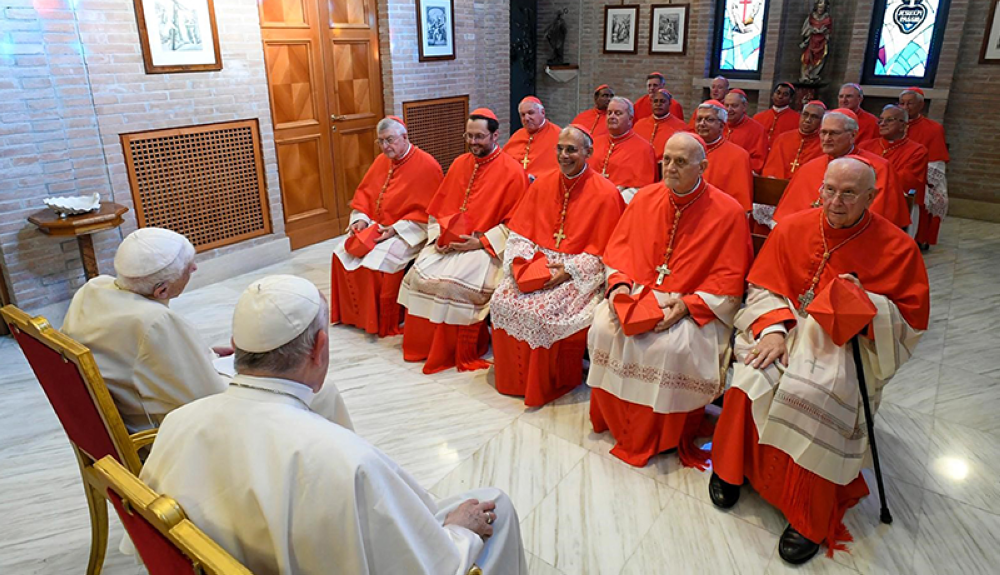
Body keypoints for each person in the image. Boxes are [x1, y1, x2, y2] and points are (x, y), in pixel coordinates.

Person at [137, 275, 527, 575]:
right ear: (321, 346)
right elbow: (423, 566)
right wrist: (459, 532)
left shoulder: (178, 422)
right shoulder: (348, 464)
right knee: (497, 506)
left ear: (238, 347)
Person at [709, 157, 929, 565]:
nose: (835, 201)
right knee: (749, 380)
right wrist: (773, 329)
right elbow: (761, 285)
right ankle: (729, 468)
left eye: (848, 193)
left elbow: (911, 321)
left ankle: (806, 514)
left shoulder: (898, 248)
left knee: (818, 397)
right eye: (829, 190)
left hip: (845, 345)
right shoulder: (794, 227)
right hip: (785, 325)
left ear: (872, 196)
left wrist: (867, 305)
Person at [586, 132, 753, 468]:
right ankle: (618, 425)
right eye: (666, 160)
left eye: (681, 162)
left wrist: (686, 306)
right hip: (639, 291)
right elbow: (619, 250)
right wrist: (619, 287)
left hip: (693, 301)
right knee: (604, 328)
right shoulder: (645, 198)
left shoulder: (728, 212)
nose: (670, 168)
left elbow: (731, 278)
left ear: (702, 166)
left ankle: (662, 435)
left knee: (670, 349)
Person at [491, 125, 625, 406]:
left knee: (545, 312)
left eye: (572, 150)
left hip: (577, 271)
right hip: (537, 262)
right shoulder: (541, 183)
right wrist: (522, 263)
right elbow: (521, 232)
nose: (564, 155)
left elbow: (607, 252)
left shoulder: (607, 193)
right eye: (560, 149)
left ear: (588, 152)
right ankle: (513, 380)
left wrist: (568, 271)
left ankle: (547, 385)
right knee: (503, 299)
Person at [397, 109, 529, 374]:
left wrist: (479, 243)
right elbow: (439, 209)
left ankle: (454, 351)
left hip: (485, 248)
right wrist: (439, 237)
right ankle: (422, 346)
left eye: (479, 136)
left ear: (495, 135)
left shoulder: (513, 172)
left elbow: (518, 225)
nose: (473, 142)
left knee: (449, 286)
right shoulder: (459, 164)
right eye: (469, 136)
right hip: (451, 243)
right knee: (420, 275)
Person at [61, 227, 226, 432]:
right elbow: (211, 398)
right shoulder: (155, 321)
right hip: (160, 436)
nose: (194, 268)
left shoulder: (93, 287)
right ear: (161, 290)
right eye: (188, 267)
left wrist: (204, 355)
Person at [330, 116, 443, 338]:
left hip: (408, 230)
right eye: (380, 141)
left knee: (378, 263)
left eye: (389, 140)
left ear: (404, 137)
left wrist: (395, 229)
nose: (385, 146)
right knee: (341, 253)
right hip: (376, 225)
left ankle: (379, 321)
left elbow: (430, 213)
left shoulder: (427, 165)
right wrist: (360, 219)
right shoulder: (382, 161)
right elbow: (365, 195)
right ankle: (352, 317)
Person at [773, 109, 910, 229]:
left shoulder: (878, 168)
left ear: (853, 135)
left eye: (834, 133)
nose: (826, 138)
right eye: (823, 132)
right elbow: (786, 215)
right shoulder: (809, 168)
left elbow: (879, 220)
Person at [858, 104, 929, 233]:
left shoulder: (917, 151)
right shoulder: (865, 146)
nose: (882, 123)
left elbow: (906, 180)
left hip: (893, 203)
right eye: (881, 120)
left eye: (889, 120)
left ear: (903, 125)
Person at [899, 86, 949, 249]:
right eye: (902, 103)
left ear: (921, 105)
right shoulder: (893, 124)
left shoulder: (933, 129)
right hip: (897, 172)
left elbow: (936, 163)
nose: (905, 107)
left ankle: (918, 239)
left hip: (921, 176)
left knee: (921, 193)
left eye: (910, 104)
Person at [588, 96, 657, 203]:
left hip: (620, 204)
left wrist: (613, 197)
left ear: (630, 118)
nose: (612, 116)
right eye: (609, 113)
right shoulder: (595, 142)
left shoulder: (644, 149)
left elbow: (642, 189)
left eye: (618, 113)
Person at [694, 100, 753, 211]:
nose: (702, 123)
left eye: (709, 119)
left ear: (721, 126)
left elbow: (740, 205)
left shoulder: (739, 156)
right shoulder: (686, 149)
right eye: (699, 119)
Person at [762, 100, 825, 180]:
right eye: (805, 115)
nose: (807, 120)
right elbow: (771, 167)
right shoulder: (782, 139)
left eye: (814, 117)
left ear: (821, 121)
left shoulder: (823, 144)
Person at [503, 96, 561, 180]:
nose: (526, 118)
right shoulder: (517, 135)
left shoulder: (559, 135)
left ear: (543, 112)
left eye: (530, 113)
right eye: (523, 115)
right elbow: (504, 163)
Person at [634, 88, 689, 163]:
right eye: (655, 101)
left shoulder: (681, 127)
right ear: (651, 103)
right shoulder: (639, 125)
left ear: (669, 104)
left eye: (662, 101)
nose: (658, 104)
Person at [723, 89, 769, 174]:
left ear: (744, 106)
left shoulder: (757, 130)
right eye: (726, 105)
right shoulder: (718, 124)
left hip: (739, 173)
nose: (729, 109)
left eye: (734, 106)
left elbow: (758, 161)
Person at [753, 82, 800, 149]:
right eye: (778, 93)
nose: (780, 96)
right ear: (772, 95)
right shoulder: (758, 117)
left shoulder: (797, 119)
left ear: (791, 99)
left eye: (785, 95)